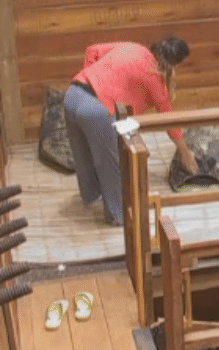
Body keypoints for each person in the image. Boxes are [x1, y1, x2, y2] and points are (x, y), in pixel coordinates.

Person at [63, 37, 199, 226]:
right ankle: (118, 217)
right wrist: (185, 152)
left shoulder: (132, 47)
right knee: (111, 164)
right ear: (175, 64)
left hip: (72, 95)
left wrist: (93, 76)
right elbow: (169, 122)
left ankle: (90, 196)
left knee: (82, 154)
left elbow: (92, 50)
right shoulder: (156, 80)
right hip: (96, 111)